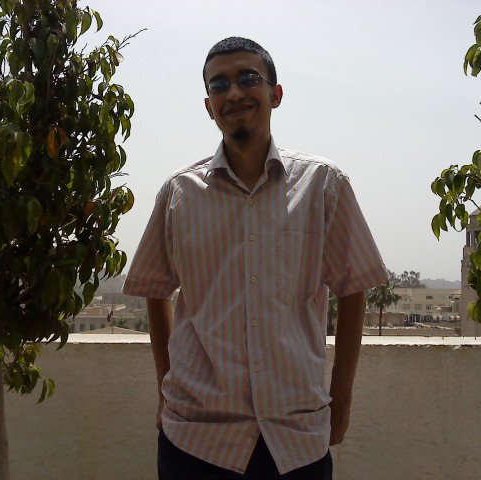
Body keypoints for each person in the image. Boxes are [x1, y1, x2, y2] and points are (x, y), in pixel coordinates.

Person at [122, 37, 388, 479]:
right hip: (197, 438)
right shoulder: (179, 194)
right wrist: (166, 390)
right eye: (219, 84)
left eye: (248, 78)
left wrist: (341, 398)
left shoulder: (323, 185)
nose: (234, 92)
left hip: (295, 439)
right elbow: (156, 290)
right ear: (209, 106)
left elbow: (353, 287)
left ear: (275, 94)